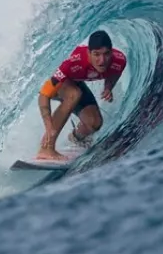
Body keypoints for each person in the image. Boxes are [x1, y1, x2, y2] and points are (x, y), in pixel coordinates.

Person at [36, 30, 127, 161]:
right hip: (58, 84)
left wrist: (108, 87)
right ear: (89, 53)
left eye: (106, 54)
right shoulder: (73, 63)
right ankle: (46, 149)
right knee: (74, 94)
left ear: (111, 52)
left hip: (75, 83)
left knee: (94, 123)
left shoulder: (119, 60)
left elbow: (115, 72)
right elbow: (43, 95)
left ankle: (76, 139)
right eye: (96, 55)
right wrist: (49, 126)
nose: (102, 61)